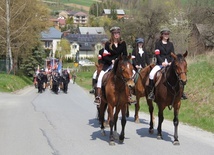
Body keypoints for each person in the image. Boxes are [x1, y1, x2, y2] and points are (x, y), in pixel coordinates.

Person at [94, 26, 136, 105]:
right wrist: (111, 60)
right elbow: (105, 56)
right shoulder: (108, 44)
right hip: (110, 64)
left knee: (131, 74)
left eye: (118, 33)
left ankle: (130, 96)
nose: (116, 35)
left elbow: (125, 54)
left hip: (120, 64)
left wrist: (121, 61)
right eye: (115, 33)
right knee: (100, 77)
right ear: (112, 34)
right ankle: (98, 96)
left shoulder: (123, 43)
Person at [148, 28, 187, 100]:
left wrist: (170, 62)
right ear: (162, 35)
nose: (166, 35)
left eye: (167, 34)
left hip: (169, 63)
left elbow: (173, 54)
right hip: (160, 64)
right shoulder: (158, 44)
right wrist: (162, 62)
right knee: (151, 74)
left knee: (180, 74)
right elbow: (157, 54)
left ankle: (182, 93)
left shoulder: (171, 44)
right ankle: (152, 92)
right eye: (165, 34)